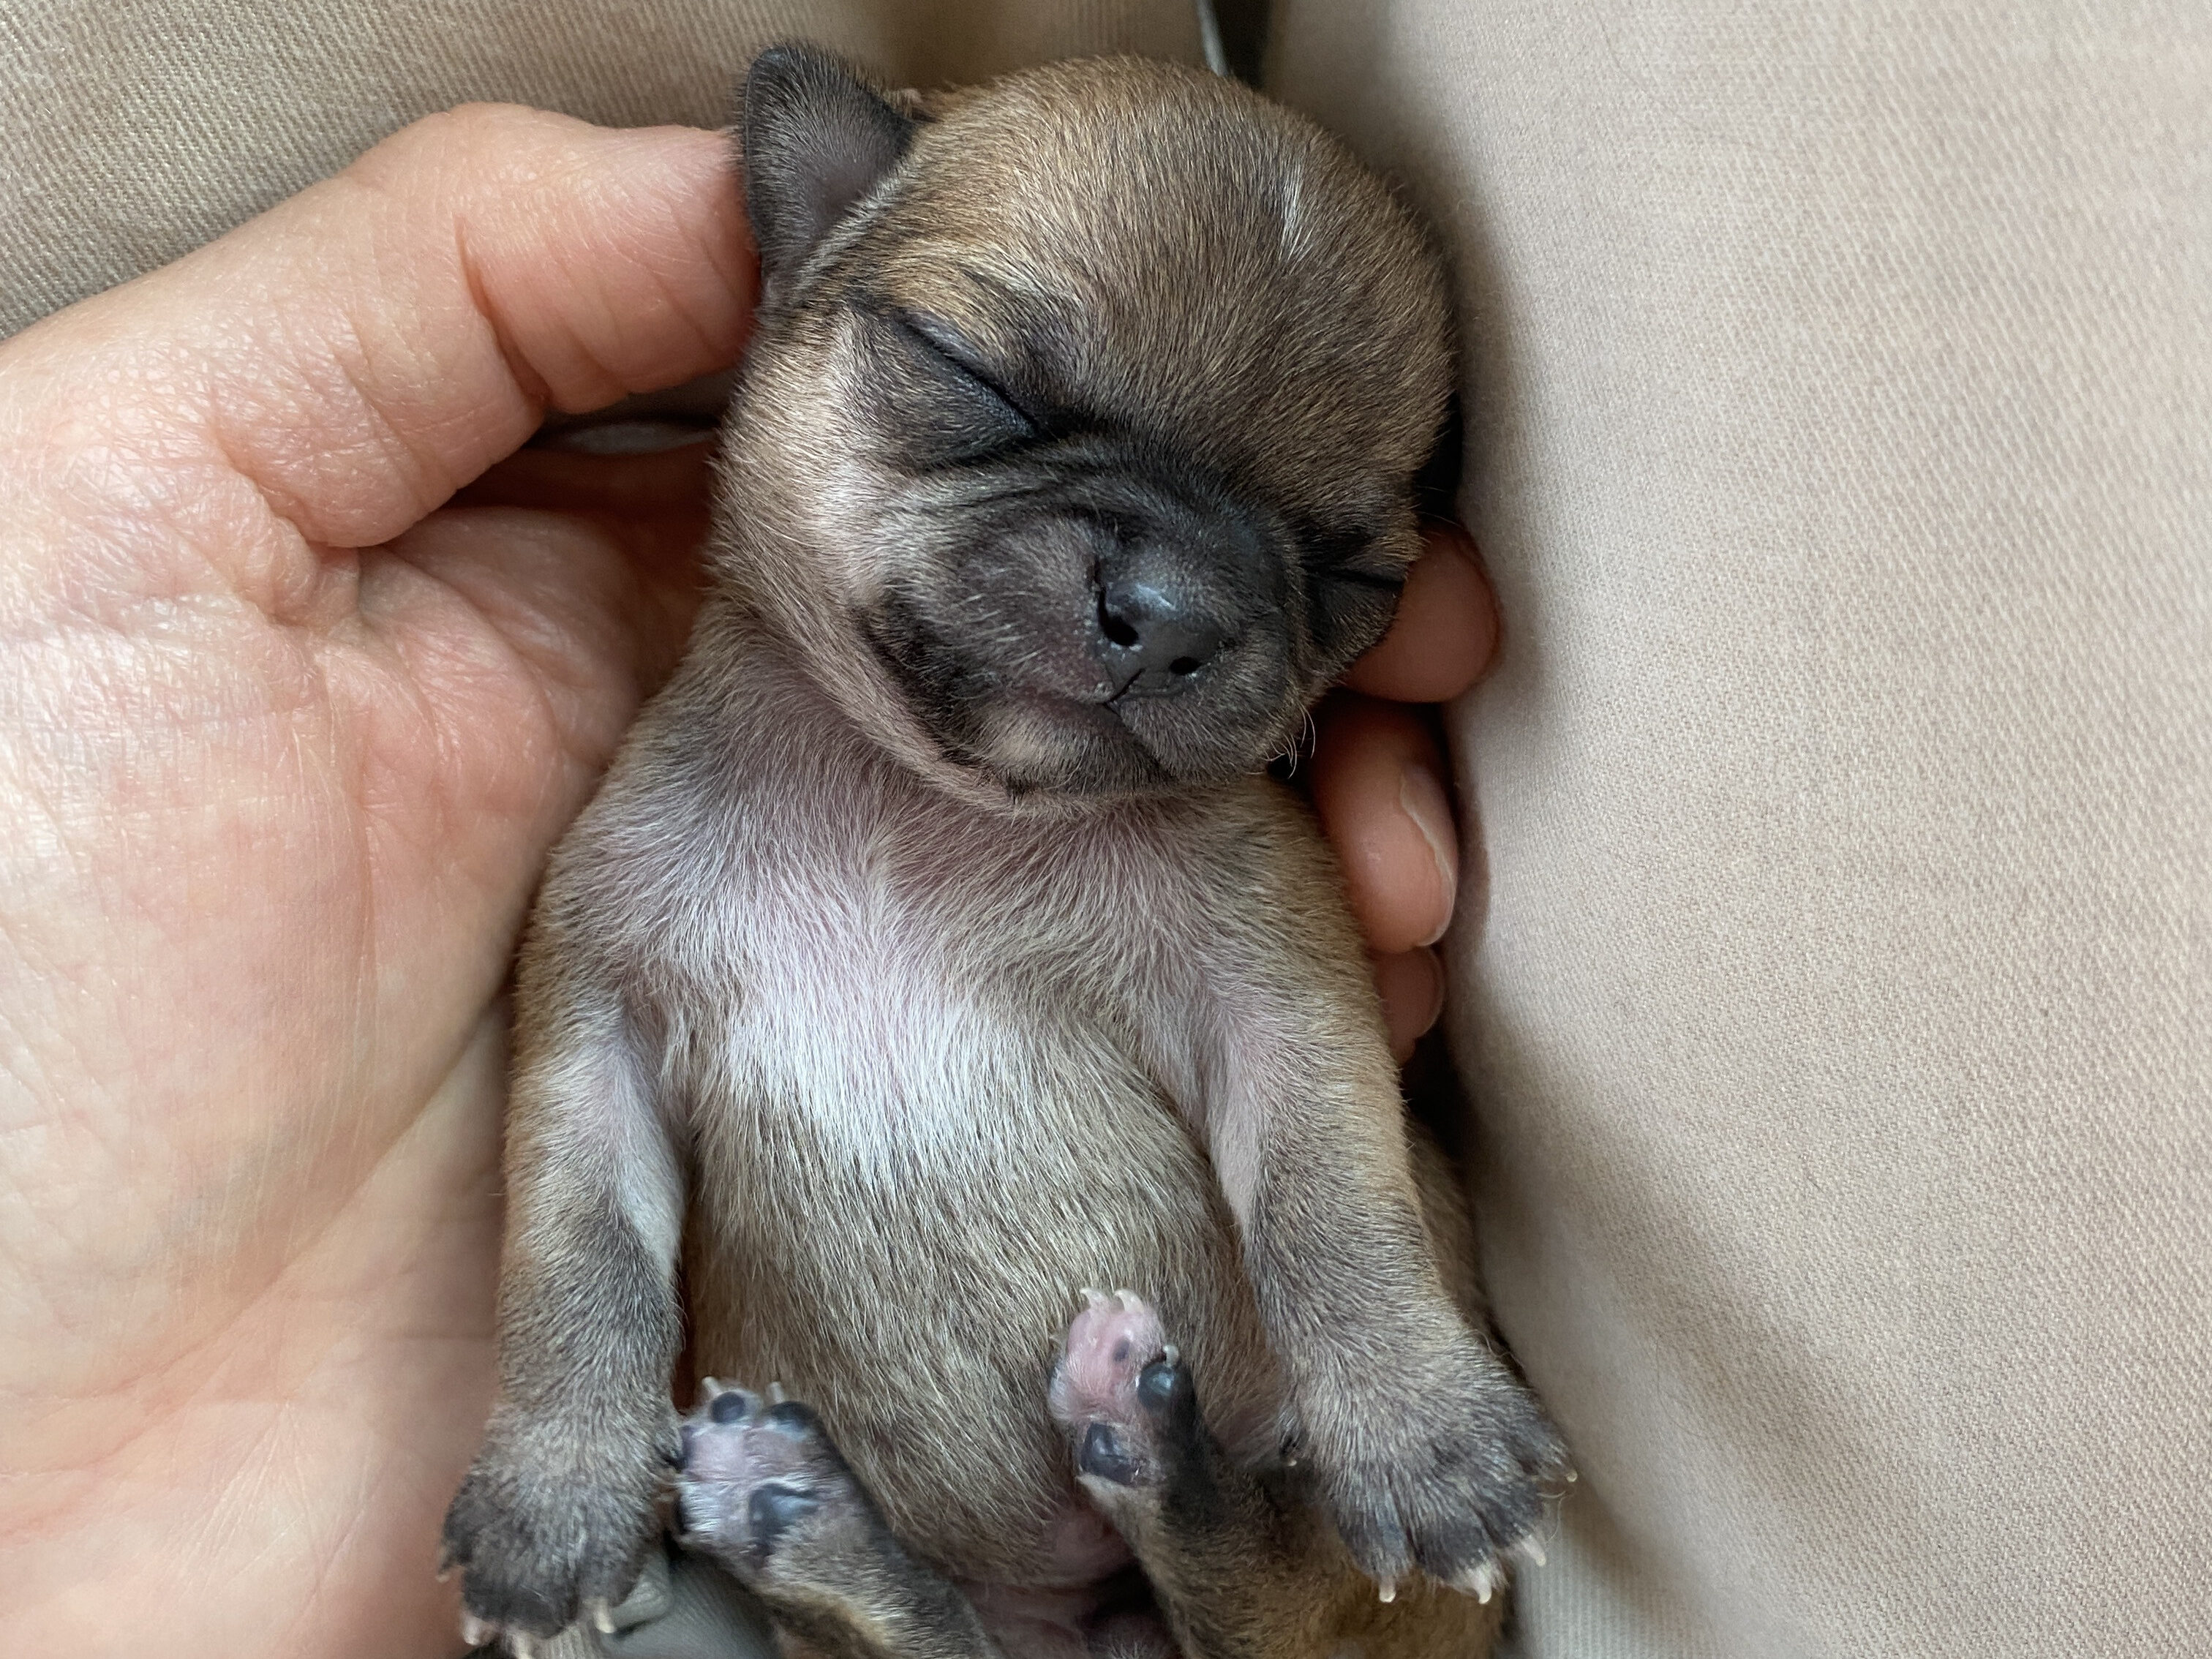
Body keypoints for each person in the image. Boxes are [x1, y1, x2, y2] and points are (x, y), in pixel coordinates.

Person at [2, 4, 2203, 1658]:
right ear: (800, 255)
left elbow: (1298, 1098)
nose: (1155, 606)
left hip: (1272, 1529)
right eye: (981, 397)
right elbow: (588, 1136)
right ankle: (894, 1590)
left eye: (1322, 577)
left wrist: (1385, 1377)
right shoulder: (650, 838)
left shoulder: (1211, 851)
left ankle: (1192, 1538)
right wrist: (564, 1433)